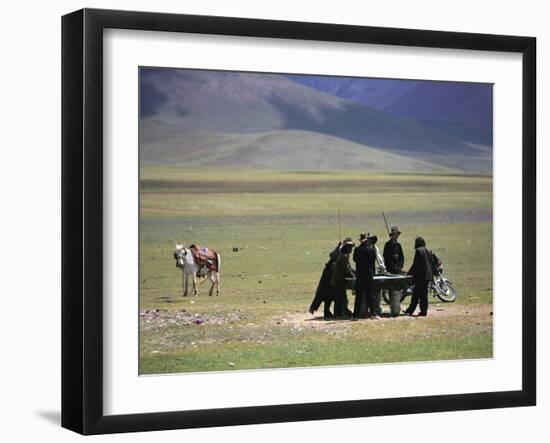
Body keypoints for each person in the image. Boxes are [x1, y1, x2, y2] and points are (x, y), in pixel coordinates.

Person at [309, 237, 354, 319]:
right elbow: (344, 266)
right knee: (327, 294)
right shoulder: (341, 253)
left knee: (329, 295)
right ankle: (331, 311)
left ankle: (329, 311)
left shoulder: (341, 252)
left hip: (333, 276)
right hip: (329, 276)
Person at [404, 236, 434, 316]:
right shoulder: (426, 250)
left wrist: (409, 274)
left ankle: (410, 311)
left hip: (421, 277)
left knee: (416, 294)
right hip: (427, 276)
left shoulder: (418, 251)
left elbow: (416, 265)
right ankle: (423, 311)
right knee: (424, 295)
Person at [352, 233, 377, 320]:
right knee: (370, 295)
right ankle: (373, 314)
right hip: (369, 275)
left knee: (358, 296)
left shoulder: (356, 250)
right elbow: (373, 261)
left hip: (360, 275)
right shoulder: (371, 250)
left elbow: (354, 260)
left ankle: (355, 315)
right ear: (367, 241)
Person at [383, 226, 405, 317]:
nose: (397, 236)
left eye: (398, 234)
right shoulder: (387, 244)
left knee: (397, 290)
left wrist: (400, 266)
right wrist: (392, 265)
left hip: (398, 270)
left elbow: (402, 257)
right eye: (396, 234)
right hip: (391, 270)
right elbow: (386, 257)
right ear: (393, 235)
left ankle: (396, 307)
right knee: (391, 289)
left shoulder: (398, 245)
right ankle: (393, 308)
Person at [330, 242, 355, 318]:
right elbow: (347, 269)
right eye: (350, 248)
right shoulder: (344, 256)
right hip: (339, 281)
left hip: (337, 280)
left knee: (339, 297)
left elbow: (349, 268)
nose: (351, 250)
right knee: (342, 297)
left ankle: (338, 313)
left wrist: (354, 272)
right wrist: (353, 276)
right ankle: (342, 312)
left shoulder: (343, 255)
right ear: (347, 249)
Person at [366, 233, 385, 316]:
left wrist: (383, 268)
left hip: (373, 271)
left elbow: (379, 258)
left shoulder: (375, 248)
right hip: (365, 272)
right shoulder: (364, 248)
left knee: (377, 291)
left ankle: (377, 308)